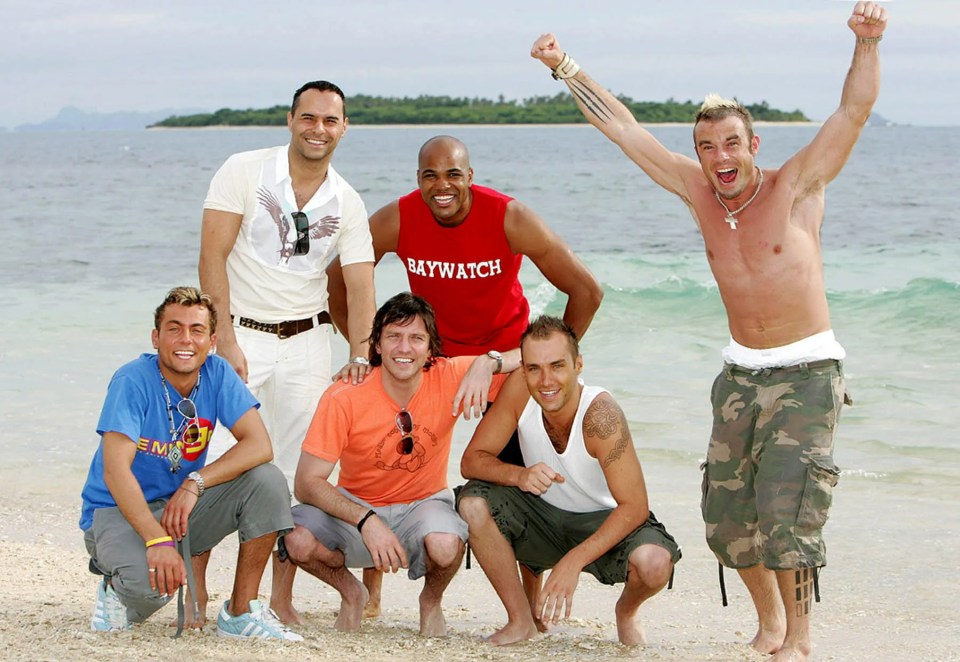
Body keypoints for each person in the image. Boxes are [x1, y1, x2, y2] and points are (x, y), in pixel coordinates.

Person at [530, 3, 887, 659]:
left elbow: (852, 115)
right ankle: (771, 622)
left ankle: (799, 643)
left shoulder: (797, 185)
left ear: (753, 145)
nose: (719, 157)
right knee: (728, 522)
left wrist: (867, 43)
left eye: (731, 143)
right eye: (706, 146)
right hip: (740, 374)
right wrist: (564, 66)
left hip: (808, 374)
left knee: (789, 516)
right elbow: (623, 129)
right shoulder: (696, 191)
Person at [326, 134, 604, 616]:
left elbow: (586, 290)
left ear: (470, 176)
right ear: (418, 180)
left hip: (504, 363)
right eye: (430, 176)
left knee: (523, 476)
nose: (442, 186)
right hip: (431, 365)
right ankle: (373, 589)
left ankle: (530, 606)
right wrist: (370, 348)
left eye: (453, 174)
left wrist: (544, 360)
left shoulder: (509, 217)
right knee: (382, 459)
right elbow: (342, 275)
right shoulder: (399, 217)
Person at [199, 79, 376, 622]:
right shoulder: (244, 169)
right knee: (213, 461)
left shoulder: (346, 198)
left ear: (344, 128)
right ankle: (198, 591)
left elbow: (362, 283)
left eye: (329, 120)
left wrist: (362, 353)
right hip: (240, 336)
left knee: (300, 474)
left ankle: (275, 597)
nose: (318, 129)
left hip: (307, 343)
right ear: (290, 119)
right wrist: (223, 338)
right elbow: (211, 256)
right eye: (309, 117)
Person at [281, 292, 517, 635]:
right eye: (393, 336)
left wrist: (488, 362)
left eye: (416, 338)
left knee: (446, 544)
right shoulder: (345, 394)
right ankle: (351, 592)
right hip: (356, 511)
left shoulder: (450, 375)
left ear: (431, 348)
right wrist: (366, 520)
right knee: (295, 539)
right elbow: (306, 483)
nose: (404, 348)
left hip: (422, 506)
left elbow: (536, 358)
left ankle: (431, 602)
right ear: (376, 344)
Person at [79, 286, 301, 641]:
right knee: (153, 587)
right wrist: (158, 543)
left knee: (268, 481)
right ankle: (115, 589)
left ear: (212, 340)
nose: (186, 339)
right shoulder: (132, 380)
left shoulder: (218, 373)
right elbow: (115, 471)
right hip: (116, 509)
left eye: (196, 330)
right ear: (156, 337)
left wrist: (194, 482)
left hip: (176, 508)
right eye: (174, 328)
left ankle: (241, 612)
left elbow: (259, 445)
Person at [458, 316, 680, 645]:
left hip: (602, 523)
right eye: (533, 368)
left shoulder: (602, 416)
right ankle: (521, 621)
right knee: (472, 504)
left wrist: (572, 562)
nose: (546, 381)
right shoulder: (519, 389)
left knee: (655, 564)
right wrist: (519, 474)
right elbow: (471, 460)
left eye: (557, 365)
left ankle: (626, 612)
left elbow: (635, 507)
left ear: (578, 364)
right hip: (542, 517)